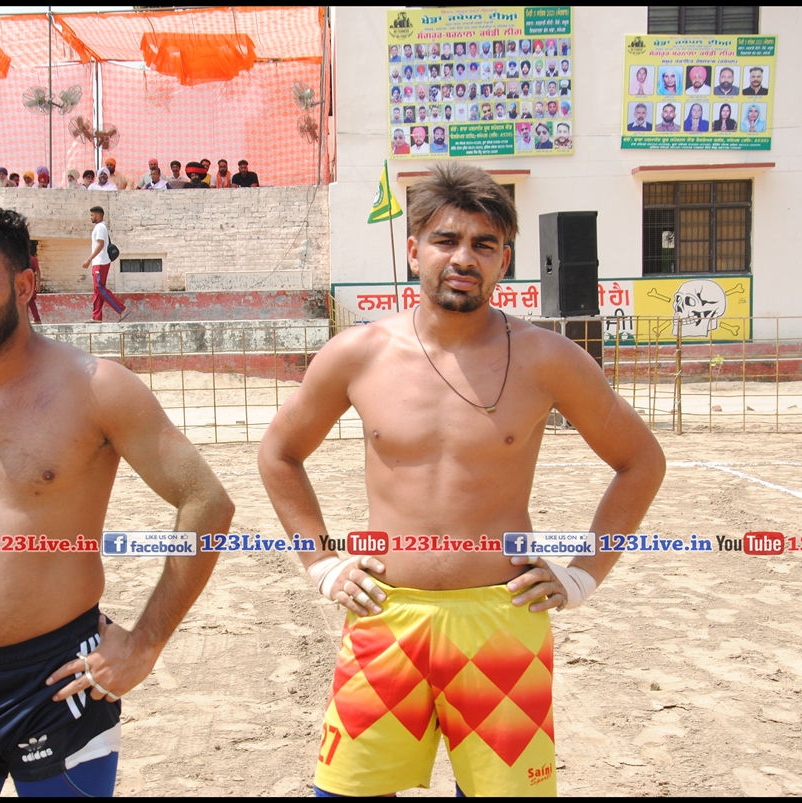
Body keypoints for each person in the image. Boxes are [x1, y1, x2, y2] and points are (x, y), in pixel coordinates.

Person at [258, 163, 665, 798]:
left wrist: (585, 573)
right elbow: (279, 453)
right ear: (414, 249)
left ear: (506, 259)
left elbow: (641, 461)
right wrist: (321, 563)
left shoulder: (549, 359)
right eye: (446, 240)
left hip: (503, 618)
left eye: (484, 244)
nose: (463, 258)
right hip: (385, 616)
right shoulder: (357, 353)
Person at [0, 198, 230, 796]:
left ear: (25, 285)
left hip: (61, 684)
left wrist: (145, 643)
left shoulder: (96, 387)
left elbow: (206, 502)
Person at [82, 205, 126, 321]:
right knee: (97, 290)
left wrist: (89, 259)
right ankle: (96, 317)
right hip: (99, 262)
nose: (90, 217)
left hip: (100, 262)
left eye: (92, 215)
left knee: (99, 287)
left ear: (98, 215)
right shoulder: (101, 227)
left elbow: (100, 245)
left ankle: (122, 309)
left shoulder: (100, 227)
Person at [26, 239, 42, 324]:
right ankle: (35, 319)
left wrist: (38, 284)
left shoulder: (32, 259)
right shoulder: (22, 259)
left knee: (30, 301)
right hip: (24, 282)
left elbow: (38, 271)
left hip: (30, 281)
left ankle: (37, 319)